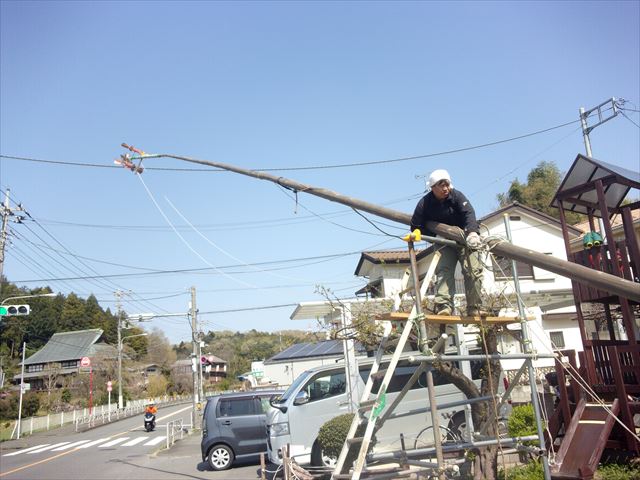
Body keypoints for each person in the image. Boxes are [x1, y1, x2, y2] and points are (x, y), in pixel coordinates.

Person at [407, 169, 486, 317]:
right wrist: (429, 234)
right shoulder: (425, 203)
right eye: (441, 185)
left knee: (473, 271)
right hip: (444, 240)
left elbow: (469, 213)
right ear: (432, 187)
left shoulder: (457, 196)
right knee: (444, 270)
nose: (445, 188)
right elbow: (416, 225)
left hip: (465, 239)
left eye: (447, 184)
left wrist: (473, 233)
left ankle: (474, 307)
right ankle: (444, 306)